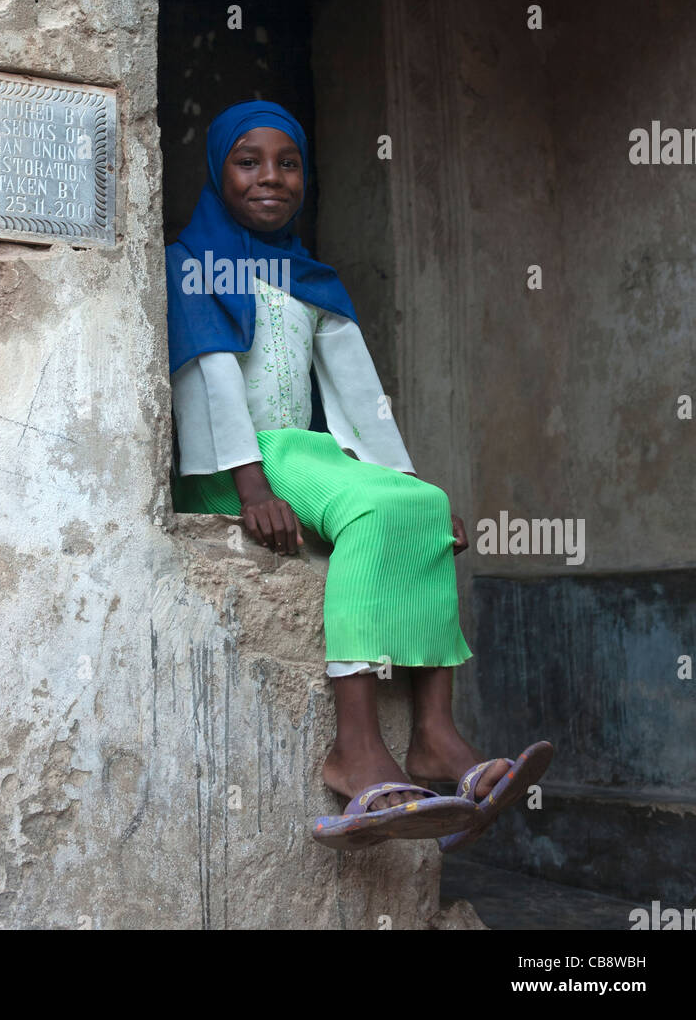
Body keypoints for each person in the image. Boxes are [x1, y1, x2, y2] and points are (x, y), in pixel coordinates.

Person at [166, 99, 552, 849]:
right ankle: (355, 751)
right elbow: (211, 377)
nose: (270, 178)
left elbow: (357, 394)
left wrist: (407, 479)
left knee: (420, 504)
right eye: (248, 161)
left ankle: (436, 737)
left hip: (298, 452)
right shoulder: (193, 261)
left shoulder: (312, 275)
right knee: (369, 515)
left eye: (288, 163)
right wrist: (252, 488)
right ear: (219, 172)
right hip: (232, 461)